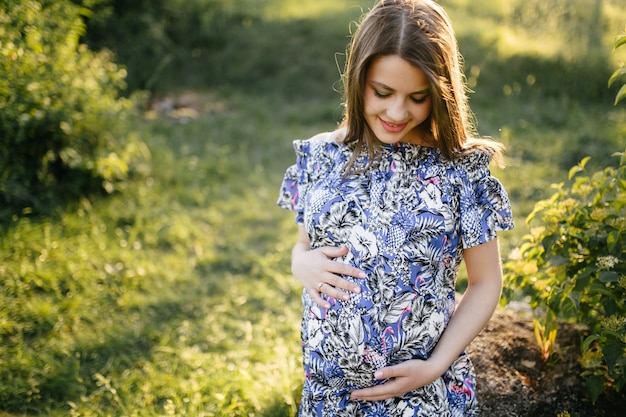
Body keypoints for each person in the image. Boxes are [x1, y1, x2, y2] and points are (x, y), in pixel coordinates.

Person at [277, 0, 514, 415]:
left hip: (425, 395)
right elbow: (304, 246)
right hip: (330, 398)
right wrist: (300, 264)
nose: (397, 111)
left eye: (417, 97)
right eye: (382, 93)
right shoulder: (320, 156)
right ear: (359, 78)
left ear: (440, 93)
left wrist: (434, 365)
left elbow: (486, 283)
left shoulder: (460, 172)